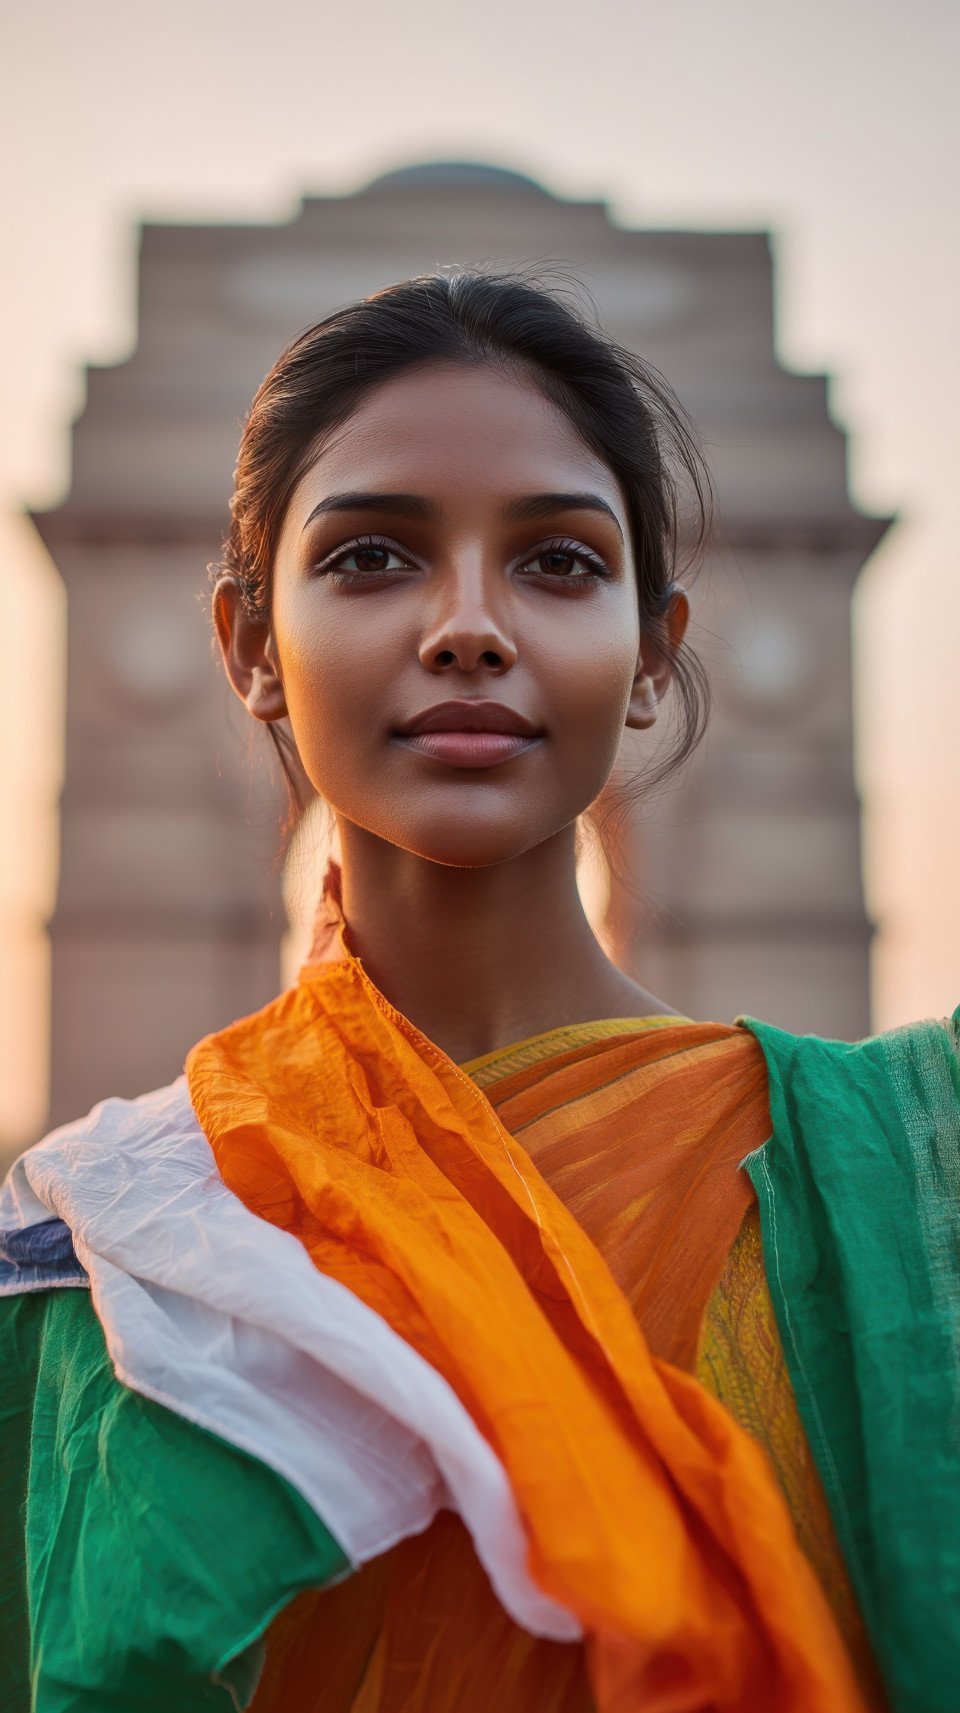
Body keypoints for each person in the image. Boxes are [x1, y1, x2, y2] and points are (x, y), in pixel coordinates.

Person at [1, 271, 956, 1713]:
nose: (466, 624)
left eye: (559, 562)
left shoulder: (894, 1179)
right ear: (253, 647)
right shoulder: (109, 1242)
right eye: (375, 555)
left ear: (654, 650)